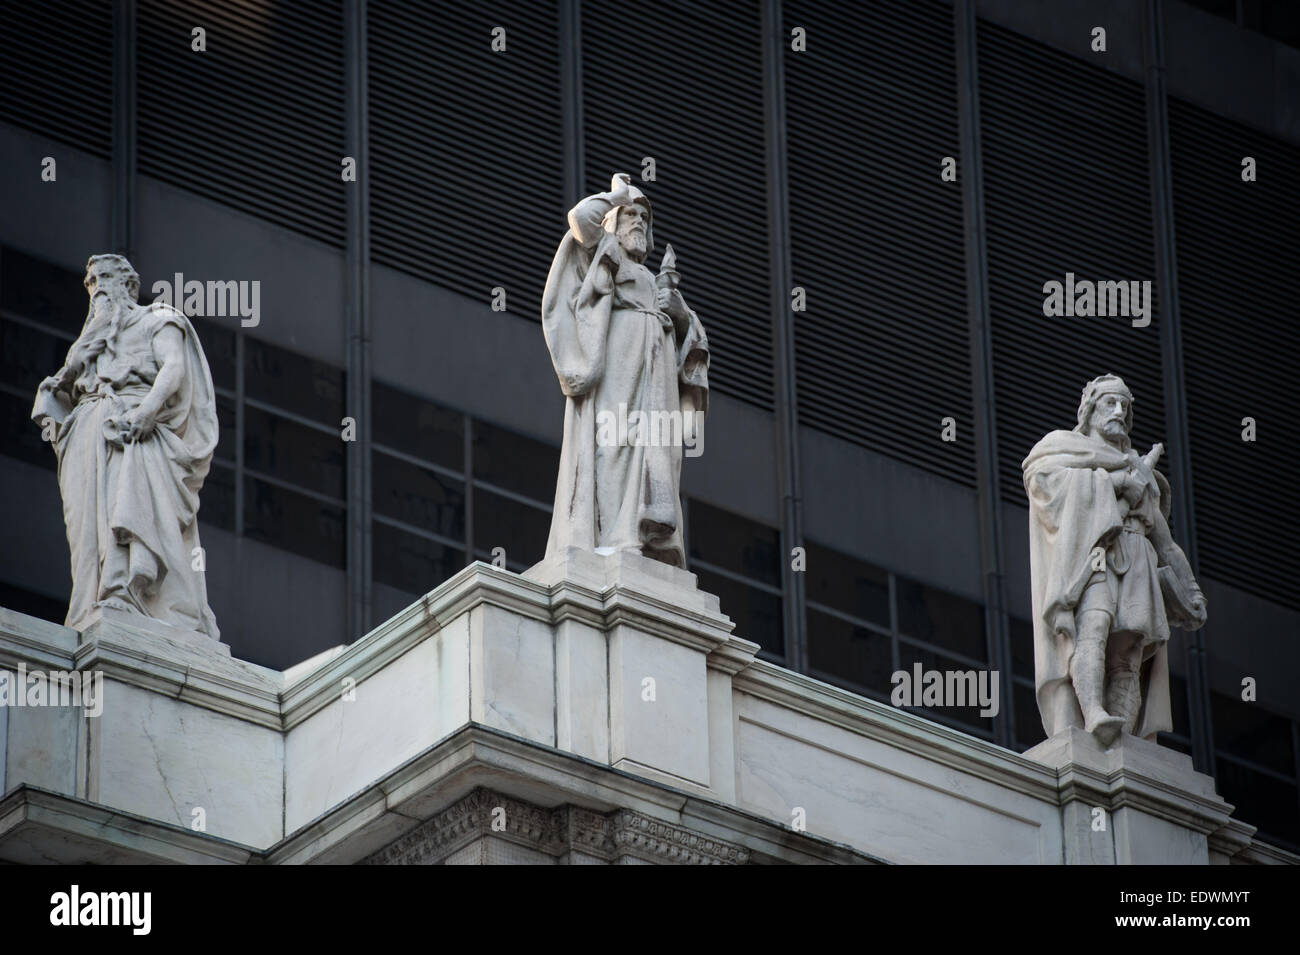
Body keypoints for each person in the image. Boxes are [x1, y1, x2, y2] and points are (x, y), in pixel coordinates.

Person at [32, 254, 221, 639]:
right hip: (86, 433)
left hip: (133, 432)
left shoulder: (158, 319)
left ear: (129, 286)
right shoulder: (89, 342)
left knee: (124, 509)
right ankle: (90, 600)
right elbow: (64, 389)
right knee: (86, 526)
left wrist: (146, 413)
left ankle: (125, 590)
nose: (96, 287)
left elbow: (173, 369)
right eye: (90, 281)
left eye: (105, 278)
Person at [1022, 374, 1205, 745]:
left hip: (1139, 557)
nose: (1119, 411)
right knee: (1094, 628)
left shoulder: (1143, 472)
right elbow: (1042, 483)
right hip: (1095, 556)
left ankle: (1123, 732)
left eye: (1125, 405)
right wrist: (1116, 484)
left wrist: (1191, 589)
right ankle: (1093, 713)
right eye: (1110, 402)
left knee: (1130, 653)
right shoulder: (1062, 448)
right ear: (1090, 408)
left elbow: (1165, 542)